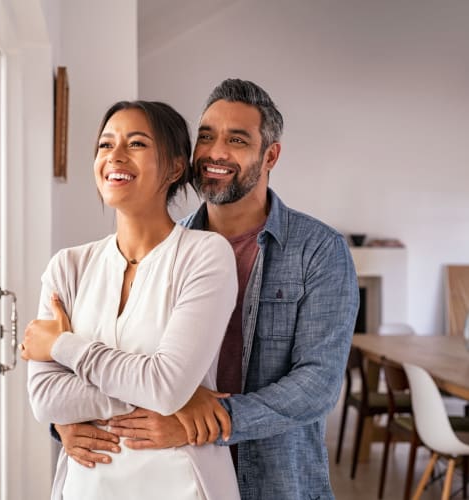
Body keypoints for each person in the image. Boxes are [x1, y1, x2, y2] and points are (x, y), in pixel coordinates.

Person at [53, 79, 360, 499]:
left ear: (270, 155)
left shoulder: (318, 251)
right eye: (206, 137)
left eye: (236, 140)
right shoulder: (163, 249)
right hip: (174, 477)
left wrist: (213, 418)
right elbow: (119, 360)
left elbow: (317, 384)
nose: (216, 153)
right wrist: (64, 420)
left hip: (276, 481)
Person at [20, 100, 241, 500]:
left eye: (136, 144)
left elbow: (167, 385)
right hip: (85, 486)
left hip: (182, 484)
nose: (114, 156)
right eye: (105, 145)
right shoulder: (67, 267)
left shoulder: (205, 255)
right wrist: (166, 392)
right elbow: (46, 399)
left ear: (175, 167)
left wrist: (60, 346)